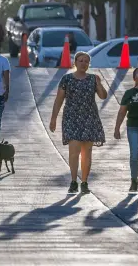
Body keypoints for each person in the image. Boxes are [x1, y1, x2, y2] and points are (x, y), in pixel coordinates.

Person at [49, 51, 107, 194]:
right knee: (74, 152)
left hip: (89, 118)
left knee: (87, 152)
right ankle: (74, 181)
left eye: (86, 61)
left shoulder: (94, 79)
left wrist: (99, 84)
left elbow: (103, 96)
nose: (83, 63)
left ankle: (85, 182)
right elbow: (59, 100)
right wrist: (53, 118)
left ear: (89, 64)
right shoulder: (66, 79)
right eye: (80, 60)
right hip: (71, 118)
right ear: (75, 62)